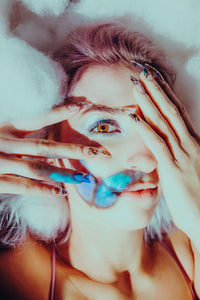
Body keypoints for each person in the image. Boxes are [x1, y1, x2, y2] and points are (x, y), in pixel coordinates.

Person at [0, 21, 200, 300]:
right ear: (49, 147)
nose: (147, 160)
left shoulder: (191, 254)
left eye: (157, 126)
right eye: (104, 127)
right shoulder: (13, 282)